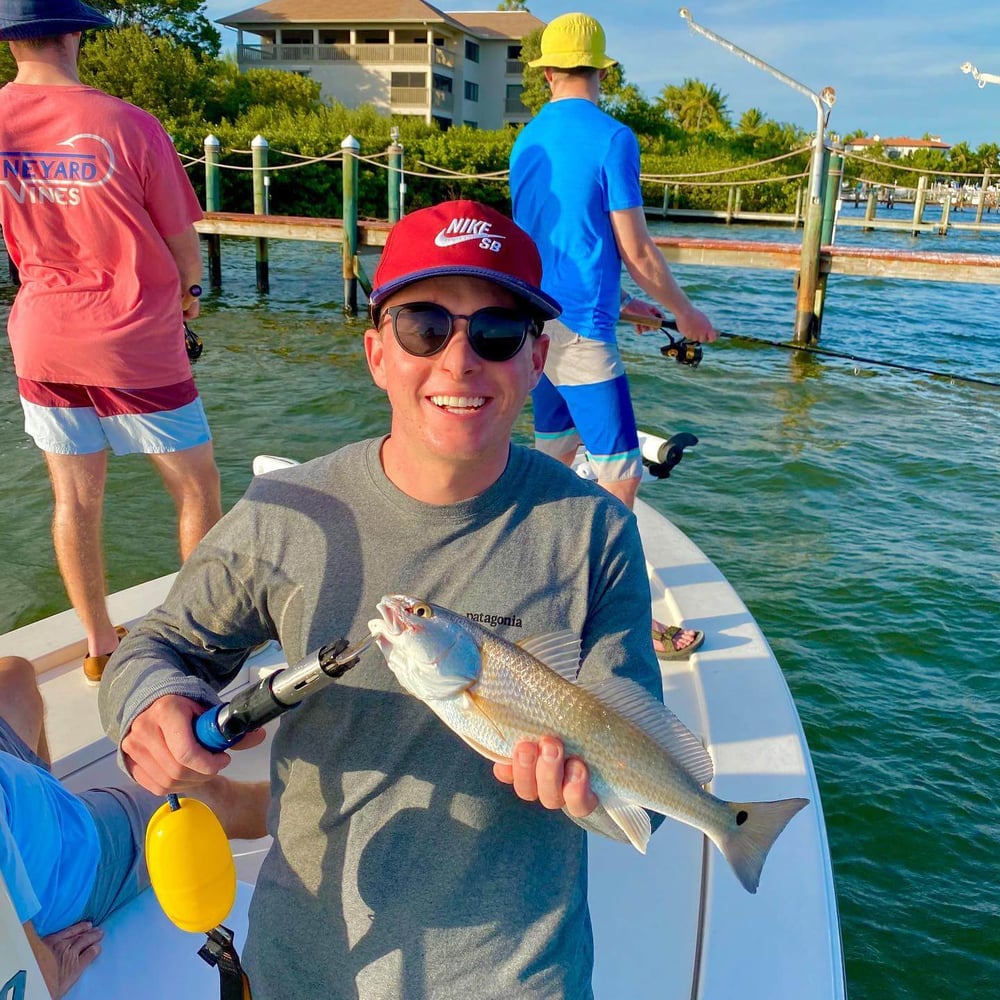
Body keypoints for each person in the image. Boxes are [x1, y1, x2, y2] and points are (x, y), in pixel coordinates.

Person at [99, 200, 665, 999]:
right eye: (424, 327)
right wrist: (150, 708)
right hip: (306, 965)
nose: (460, 360)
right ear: (376, 353)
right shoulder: (287, 512)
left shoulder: (595, 532)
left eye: (496, 333)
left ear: (537, 359)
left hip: (518, 976)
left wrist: (591, 793)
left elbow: (648, 769)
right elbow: (156, 646)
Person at [0, 0, 222, 684]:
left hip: (42, 333)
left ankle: (99, 646)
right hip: (133, 336)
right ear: (74, 32)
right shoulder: (128, 123)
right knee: (196, 490)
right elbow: (186, 249)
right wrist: (188, 294)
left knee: (73, 499)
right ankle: (199, 641)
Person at [509, 11, 717, 659]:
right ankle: (621, 616)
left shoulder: (526, 142)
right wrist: (683, 310)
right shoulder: (613, 138)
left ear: (545, 72)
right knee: (622, 479)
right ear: (603, 71)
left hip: (534, 328)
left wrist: (628, 305)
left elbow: (552, 244)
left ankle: (530, 597)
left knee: (551, 461)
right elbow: (637, 248)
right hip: (584, 338)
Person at [0, 654, 267, 999]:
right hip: (72, 867)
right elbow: (27, 982)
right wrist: (39, 978)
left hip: (18, 801)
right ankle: (312, 810)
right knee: (202, 799)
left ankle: (40, 807)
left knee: (15, 676)